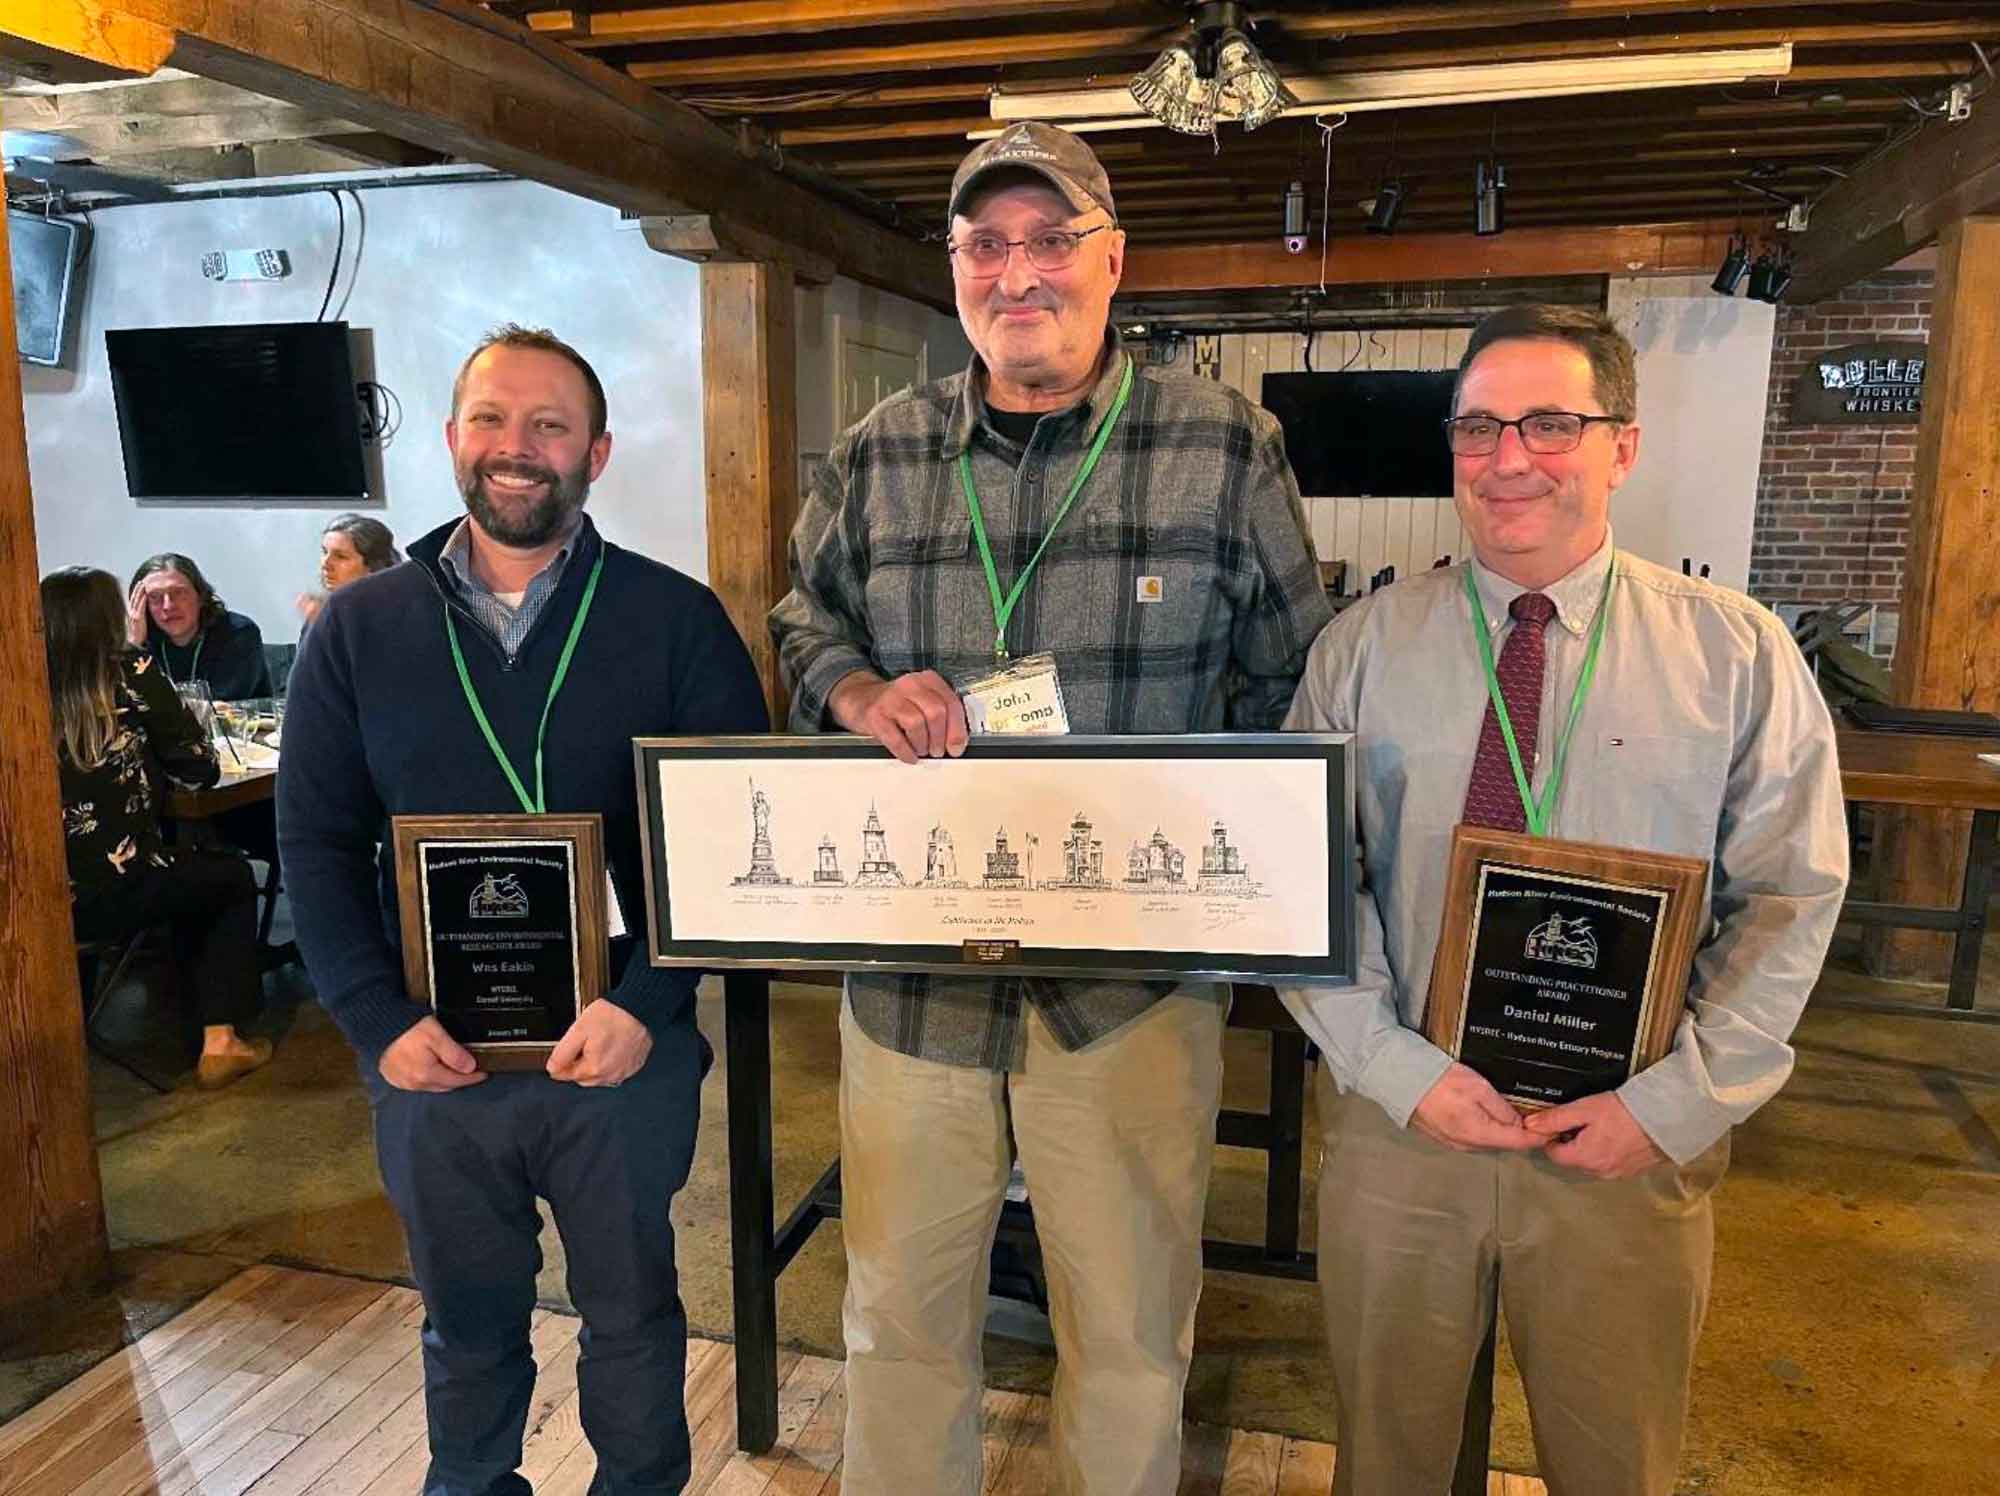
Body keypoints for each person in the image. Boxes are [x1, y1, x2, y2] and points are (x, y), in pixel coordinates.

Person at [769, 121, 1332, 1493]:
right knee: (897, 1319)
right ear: (956, 268)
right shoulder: (877, 453)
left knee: (1133, 1329)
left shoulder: (1226, 446)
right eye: (984, 245)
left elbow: (1293, 679)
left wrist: (1200, 867)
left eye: (1049, 240)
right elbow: (801, 626)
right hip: (912, 988)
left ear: (1112, 260)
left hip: (1132, 990)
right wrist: (850, 693)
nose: (1016, 273)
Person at [1279, 304, 1848, 1496]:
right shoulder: (1361, 647)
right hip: (1408, 1130)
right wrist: (1392, 1066)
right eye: (1477, 427)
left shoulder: (1733, 655)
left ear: (1621, 446)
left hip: (1624, 1143)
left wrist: (1679, 1102)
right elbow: (1307, 885)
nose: (1508, 458)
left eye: (1549, 422)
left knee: (1611, 1459)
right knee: (1385, 1458)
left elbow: (1787, 896)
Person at [279, 323, 766, 1494]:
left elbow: (726, 838)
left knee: (633, 1314)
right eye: (492, 420)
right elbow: (315, 840)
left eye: (549, 424)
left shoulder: (672, 617)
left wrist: (649, 999)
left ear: (595, 452)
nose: (517, 448)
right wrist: (374, 1020)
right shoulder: (356, 630)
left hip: (618, 1055)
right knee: (465, 1320)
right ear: (450, 440)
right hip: (431, 1060)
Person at [43, 566, 272, 1088]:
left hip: (32, 898)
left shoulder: (20, 678)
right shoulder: (129, 672)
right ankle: (221, 1042)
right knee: (226, 877)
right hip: (110, 887)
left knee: (184, 873)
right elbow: (199, 767)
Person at [128, 551, 272, 700]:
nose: (168, 606)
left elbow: (221, 710)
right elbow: (122, 704)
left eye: (178, 593)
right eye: (154, 597)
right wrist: (132, 647)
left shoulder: (238, 633)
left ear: (201, 596)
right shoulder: (143, 640)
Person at [297, 513, 401, 630]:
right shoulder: (324, 610)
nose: (325, 565)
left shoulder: (393, 616)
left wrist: (324, 626)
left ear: (373, 567)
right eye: (325, 552)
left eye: (340, 556)